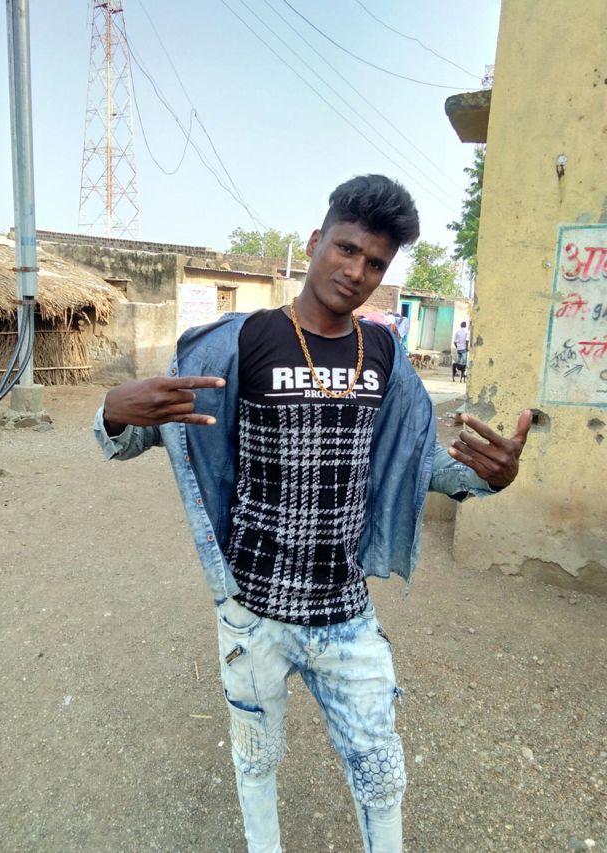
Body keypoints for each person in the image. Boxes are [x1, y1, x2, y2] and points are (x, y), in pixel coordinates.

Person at [94, 175, 531, 853]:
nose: (357, 272)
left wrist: (489, 477)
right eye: (347, 249)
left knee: (381, 774)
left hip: (346, 614)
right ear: (315, 241)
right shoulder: (242, 342)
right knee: (256, 760)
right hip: (253, 613)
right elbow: (149, 437)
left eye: (376, 263)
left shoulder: (384, 355)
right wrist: (112, 413)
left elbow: (419, 467)